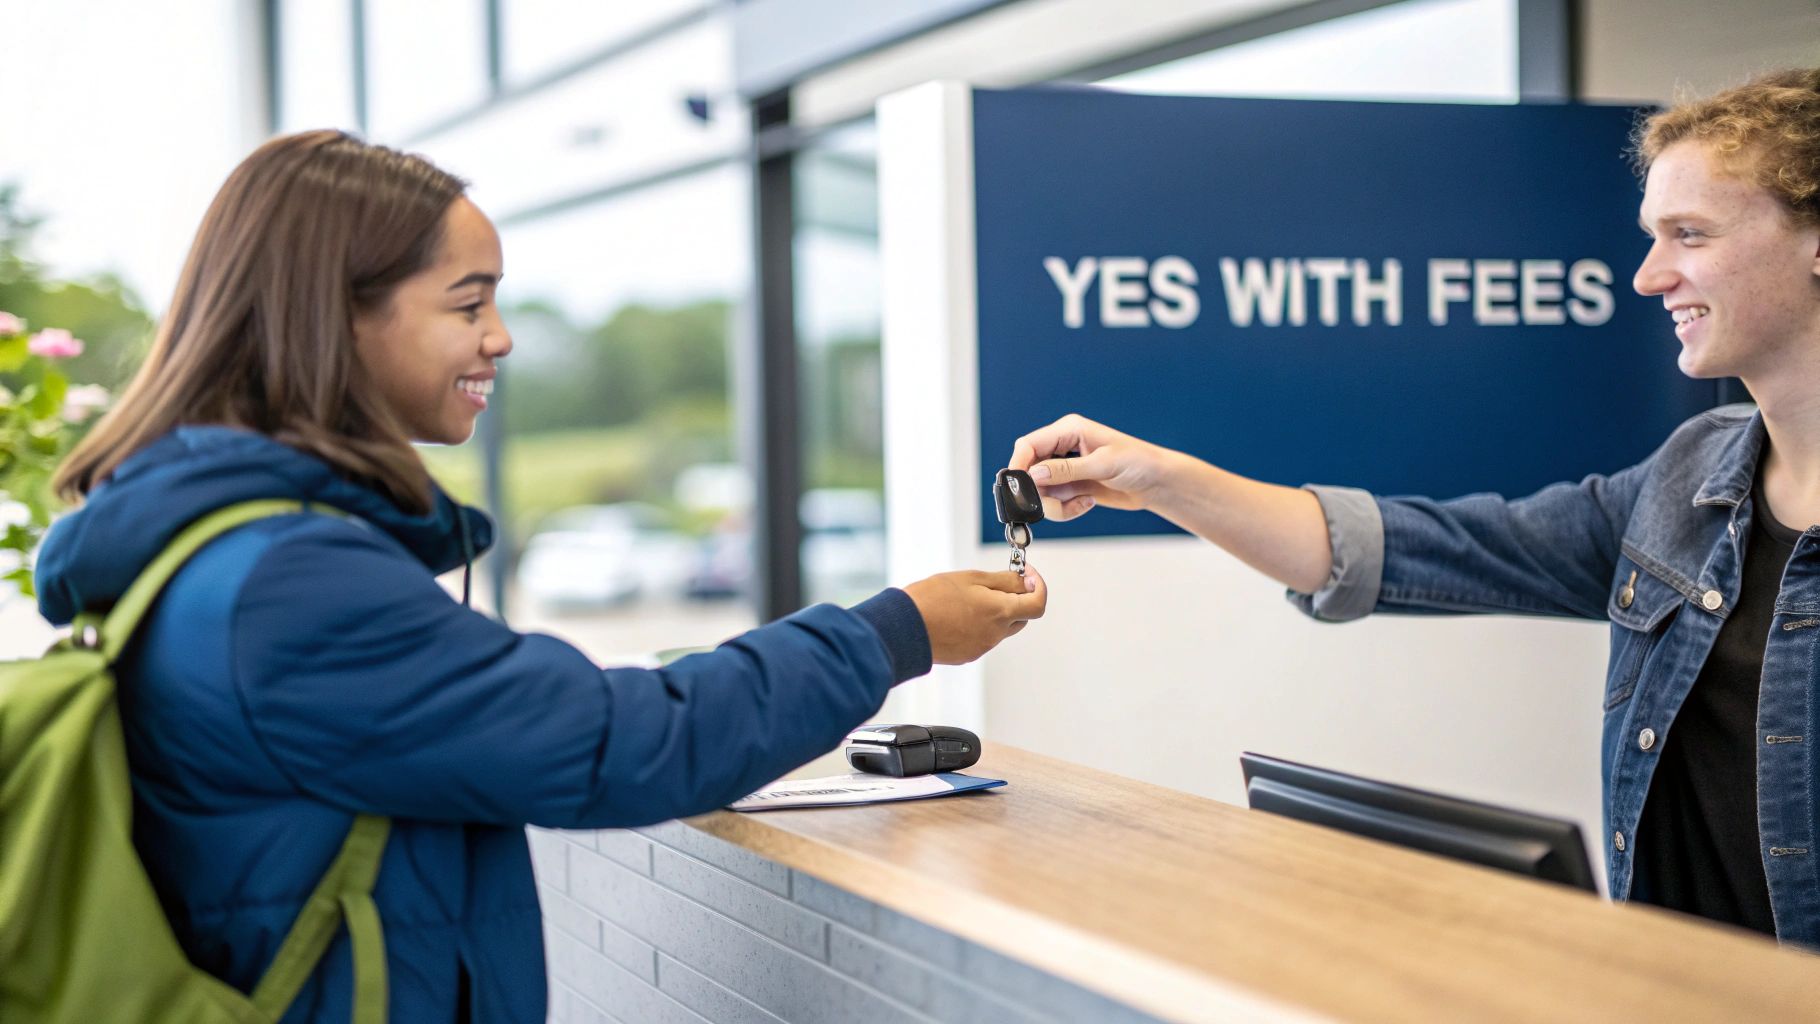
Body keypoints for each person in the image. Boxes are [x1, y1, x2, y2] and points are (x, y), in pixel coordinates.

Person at [37, 130, 1046, 1022]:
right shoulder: (284, 581)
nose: (501, 336)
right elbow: (619, 745)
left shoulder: (214, 550)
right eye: (466, 301)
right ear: (338, 317)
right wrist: (890, 631)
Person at [1009, 67, 1820, 946]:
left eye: (1688, 234)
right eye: (1651, 237)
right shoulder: (1685, 480)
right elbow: (1410, 551)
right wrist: (1155, 477)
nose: (1649, 276)